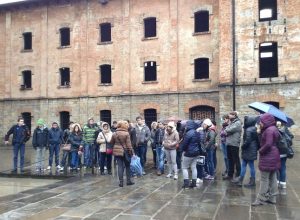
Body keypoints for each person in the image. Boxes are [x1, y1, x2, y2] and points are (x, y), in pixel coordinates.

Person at [252, 113, 281, 206]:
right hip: (274, 155)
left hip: (268, 156)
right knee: (272, 177)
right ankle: (273, 198)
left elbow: (268, 144)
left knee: (264, 178)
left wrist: (260, 151)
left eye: (261, 121)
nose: (260, 122)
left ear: (266, 121)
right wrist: (260, 132)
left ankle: (261, 198)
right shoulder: (273, 128)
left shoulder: (268, 130)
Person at [232, 116, 259, 187]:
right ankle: (241, 179)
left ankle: (251, 181)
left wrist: (243, 146)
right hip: (251, 150)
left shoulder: (249, 130)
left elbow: (247, 141)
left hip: (248, 150)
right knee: (245, 164)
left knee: (250, 165)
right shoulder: (254, 129)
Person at [110, 120, 134, 187]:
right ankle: (128, 181)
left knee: (120, 166)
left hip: (117, 152)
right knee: (127, 166)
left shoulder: (115, 133)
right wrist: (131, 152)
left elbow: (111, 142)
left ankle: (121, 182)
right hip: (125, 151)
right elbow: (129, 145)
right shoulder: (126, 133)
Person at [180, 120, 203, 188]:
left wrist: (182, 150)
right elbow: (199, 143)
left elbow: (185, 144)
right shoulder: (197, 132)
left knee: (184, 167)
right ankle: (193, 183)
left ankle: (186, 183)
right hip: (196, 152)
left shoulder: (188, 133)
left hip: (188, 153)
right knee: (194, 167)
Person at [223, 111, 242, 181]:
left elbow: (228, 130)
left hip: (234, 144)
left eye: (230, 115)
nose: (229, 116)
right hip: (229, 143)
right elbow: (226, 129)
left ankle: (238, 174)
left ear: (234, 115)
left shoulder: (237, 123)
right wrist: (226, 130)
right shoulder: (232, 122)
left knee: (236, 159)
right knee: (230, 159)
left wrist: (226, 130)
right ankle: (230, 174)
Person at [276, 121, 294, 189]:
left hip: (277, 152)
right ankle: (283, 183)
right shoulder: (285, 128)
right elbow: (291, 136)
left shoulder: (274, 129)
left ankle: (277, 182)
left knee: (276, 167)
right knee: (283, 167)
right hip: (284, 151)